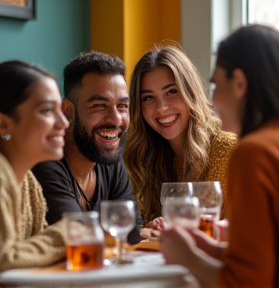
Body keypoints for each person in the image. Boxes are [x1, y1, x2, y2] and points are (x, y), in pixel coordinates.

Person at [160, 24, 279, 287]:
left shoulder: (253, 153)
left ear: (239, 83)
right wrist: (208, 248)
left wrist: (188, 257)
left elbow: (247, 283)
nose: (212, 100)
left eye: (214, 84)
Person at [32, 51, 157, 244]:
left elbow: (131, 232)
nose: (116, 119)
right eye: (99, 105)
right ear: (67, 111)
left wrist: (149, 232)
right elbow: (76, 237)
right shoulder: (45, 161)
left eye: (122, 106)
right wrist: (128, 234)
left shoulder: (107, 158)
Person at [124, 44, 237, 225]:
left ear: (190, 92)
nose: (161, 108)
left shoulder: (227, 148)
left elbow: (252, 226)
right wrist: (151, 228)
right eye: (148, 98)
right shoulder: (146, 156)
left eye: (172, 92)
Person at [0, 61, 69, 276]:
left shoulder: (27, 181)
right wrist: (66, 234)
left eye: (60, 111)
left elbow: (34, 255)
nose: (64, 123)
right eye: (46, 110)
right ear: (3, 125)